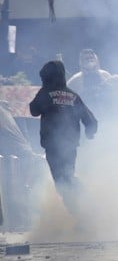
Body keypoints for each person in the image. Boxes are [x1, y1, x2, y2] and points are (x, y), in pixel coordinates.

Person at [29, 59, 98, 210]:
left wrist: (43, 91)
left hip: (53, 147)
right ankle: (84, 214)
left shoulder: (45, 93)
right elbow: (90, 119)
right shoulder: (73, 96)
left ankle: (87, 207)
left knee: (62, 183)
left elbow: (33, 110)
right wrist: (90, 132)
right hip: (70, 146)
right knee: (67, 179)